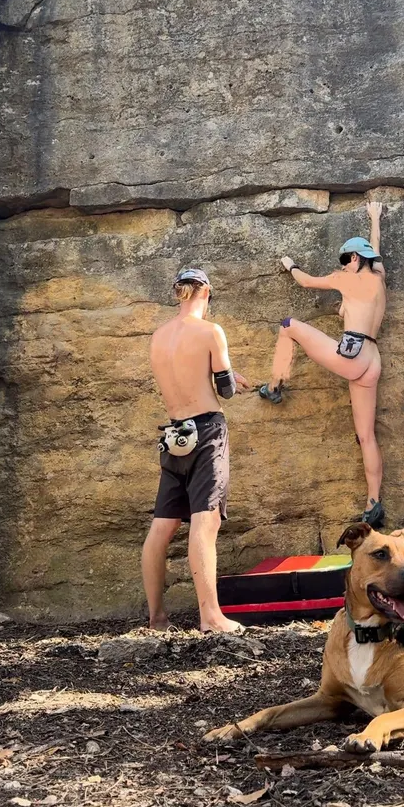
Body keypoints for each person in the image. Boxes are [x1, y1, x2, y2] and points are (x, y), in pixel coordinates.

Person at [259, 202, 387, 527]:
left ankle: (275, 386)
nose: (343, 265)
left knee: (288, 325)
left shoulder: (347, 279)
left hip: (353, 356)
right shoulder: (379, 276)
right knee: (366, 436)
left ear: (354, 259)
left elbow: (305, 282)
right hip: (372, 360)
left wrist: (290, 264)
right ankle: (374, 503)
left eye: (346, 260)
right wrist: (375, 217)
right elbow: (376, 251)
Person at [142, 267, 249, 632]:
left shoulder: (158, 337)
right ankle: (211, 617)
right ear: (205, 292)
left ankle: (157, 618)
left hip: (174, 434)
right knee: (206, 521)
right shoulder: (210, 331)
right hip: (206, 432)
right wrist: (230, 374)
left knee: (162, 526)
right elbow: (225, 391)